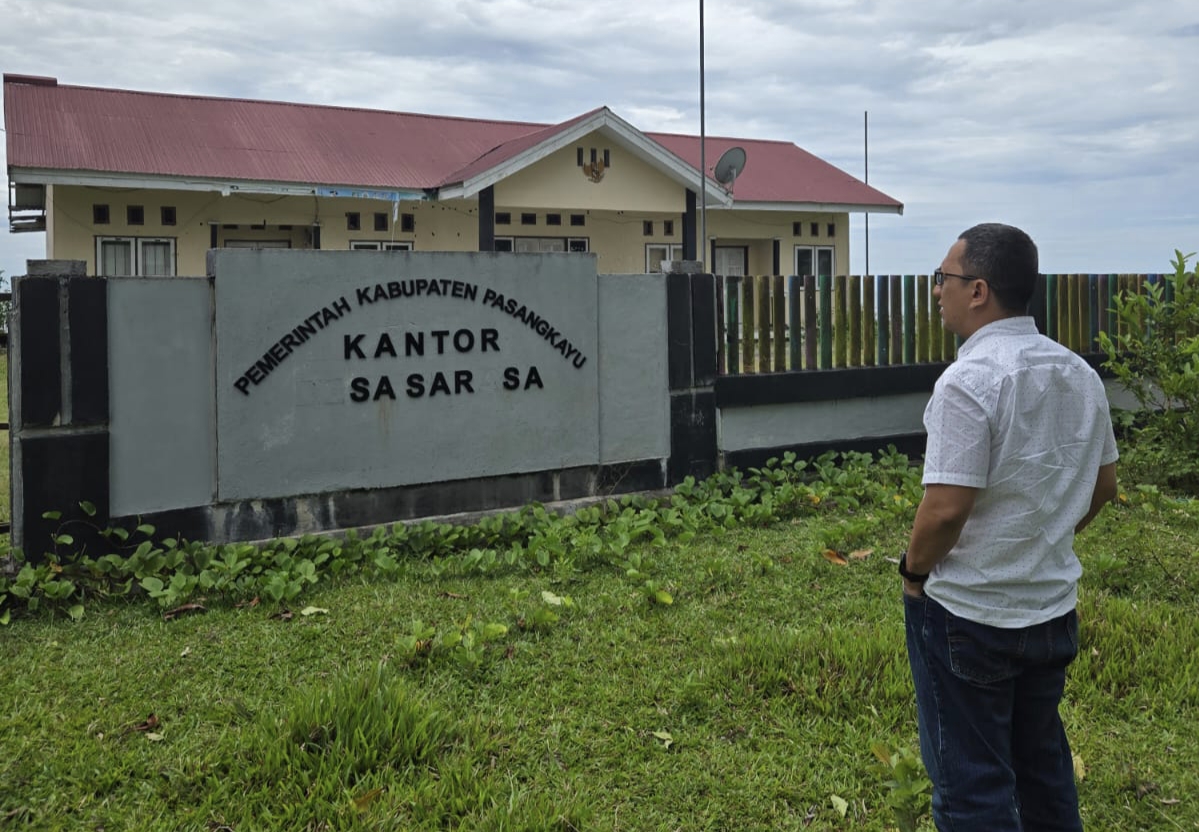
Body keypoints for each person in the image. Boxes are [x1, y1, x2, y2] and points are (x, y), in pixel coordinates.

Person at [901, 223, 1119, 830]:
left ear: (978, 290)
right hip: (1052, 608)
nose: (935, 291)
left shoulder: (967, 382)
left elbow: (945, 510)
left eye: (941, 279)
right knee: (1043, 767)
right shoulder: (1078, 373)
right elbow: (1104, 488)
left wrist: (912, 573)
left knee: (972, 786)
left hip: (971, 615)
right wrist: (1045, 536)